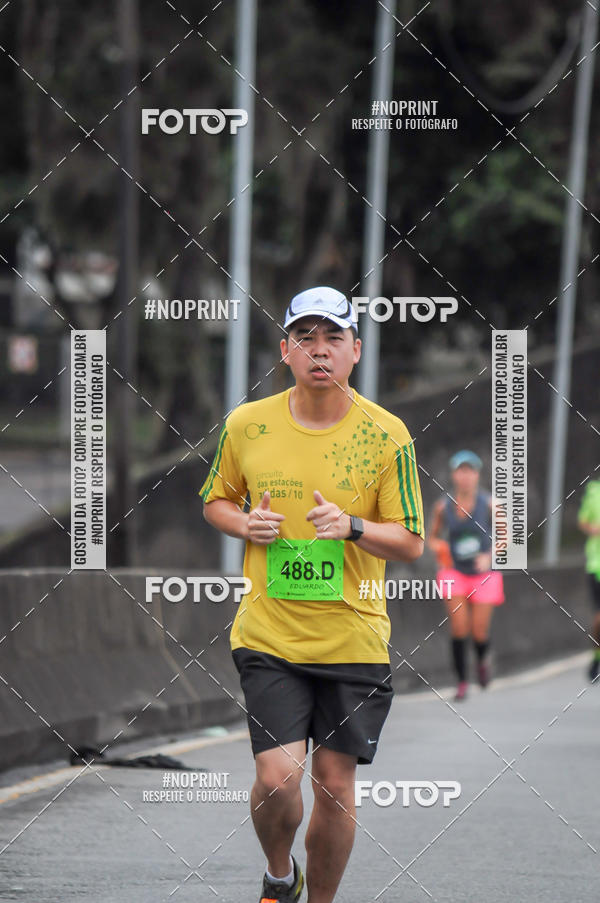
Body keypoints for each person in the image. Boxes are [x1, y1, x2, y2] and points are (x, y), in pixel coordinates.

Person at [199, 286, 424, 903]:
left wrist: (352, 526)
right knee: (277, 780)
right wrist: (245, 523)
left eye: (333, 339)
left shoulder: (387, 435)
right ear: (286, 350)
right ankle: (280, 874)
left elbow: (409, 542)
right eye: (306, 337)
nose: (318, 351)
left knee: (333, 783)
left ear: (355, 349)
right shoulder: (248, 424)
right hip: (269, 634)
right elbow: (214, 500)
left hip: (352, 638)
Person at [427, 450, 504, 701]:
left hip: (483, 573)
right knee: (459, 627)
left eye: (470, 471)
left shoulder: (491, 504)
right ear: (454, 475)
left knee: (479, 630)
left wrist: (489, 556)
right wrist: (440, 547)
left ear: (477, 475)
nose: (466, 476)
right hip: (454, 572)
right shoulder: (443, 506)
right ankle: (461, 682)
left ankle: (483, 660)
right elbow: (432, 537)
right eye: (461, 471)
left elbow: (506, 537)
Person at [577, 479, 600, 682]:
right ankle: (596, 657)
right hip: (597, 564)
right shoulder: (594, 491)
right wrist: (593, 529)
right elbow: (583, 520)